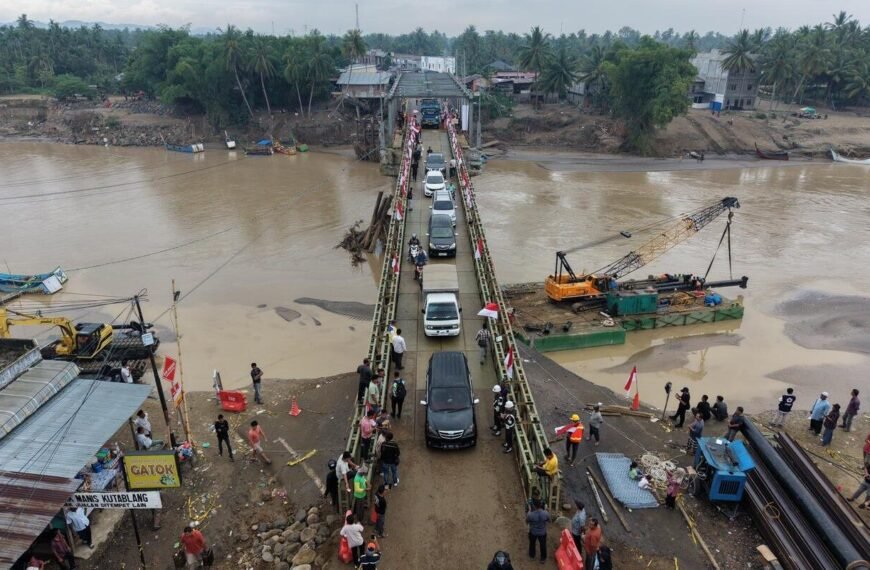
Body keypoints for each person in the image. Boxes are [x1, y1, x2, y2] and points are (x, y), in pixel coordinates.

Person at [526, 499, 550, 563]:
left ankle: (532, 555)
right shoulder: (545, 513)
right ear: (541, 505)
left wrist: (529, 511)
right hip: (542, 532)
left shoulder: (530, 514)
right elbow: (549, 520)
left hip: (533, 532)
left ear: (534, 506)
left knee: (532, 543)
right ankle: (543, 558)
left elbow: (527, 521)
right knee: (543, 545)